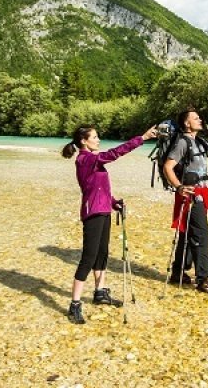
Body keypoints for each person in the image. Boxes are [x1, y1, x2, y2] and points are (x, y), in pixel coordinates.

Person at [61, 124, 157, 324]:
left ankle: (99, 292)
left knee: (102, 254)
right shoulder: (85, 159)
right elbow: (115, 153)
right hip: (93, 214)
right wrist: (142, 137)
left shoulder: (94, 162)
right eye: (94, 137)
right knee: (88, 258)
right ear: (83, 142)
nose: (98, 140)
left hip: (103, 211)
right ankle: (75, 304)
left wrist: (114, 203)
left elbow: (99, 189)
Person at [163, 107, 208, 295]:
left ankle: (178, 272)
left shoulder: (198, 141)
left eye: (199, 118)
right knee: (201, 235)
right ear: (186, 123)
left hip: (200, 192)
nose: (200, 120)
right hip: (190, 195)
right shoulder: (182, 142)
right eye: (195, 118)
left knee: (188, 233)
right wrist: (179, 187)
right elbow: (168, 166)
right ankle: (204, 280)